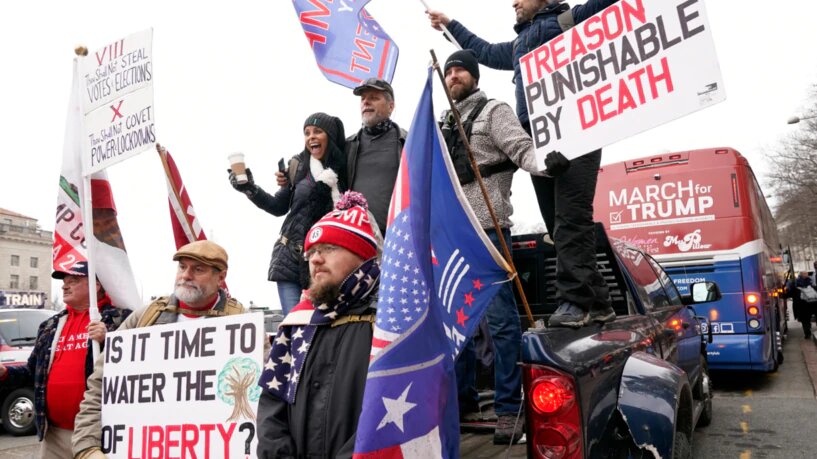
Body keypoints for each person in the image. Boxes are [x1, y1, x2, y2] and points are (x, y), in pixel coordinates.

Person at [427, 0, 619, 328]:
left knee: (571, 220)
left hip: (576, 131)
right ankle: (598, 303)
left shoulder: (570, 21)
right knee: (557, 224)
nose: (513, 3)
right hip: (539, 139)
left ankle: (577, 301)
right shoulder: (518, 46)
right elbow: (483, 51)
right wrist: (450, 24)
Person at [440, 49, 546, 444]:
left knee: (501, 323)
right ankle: (462, 402)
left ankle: (508, 408)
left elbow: (521, 148)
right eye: (449, 71)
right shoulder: (441, 121)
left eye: (460, 70)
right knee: (457, 325)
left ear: (474, 76)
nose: (453, 76)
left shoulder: (494, 111)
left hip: (489, 229)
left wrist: (547, 162)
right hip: (453, 234)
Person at [71, 240, 246, 458]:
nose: (186, 275)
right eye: (182, 267)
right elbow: (101, 384)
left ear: (221, 277)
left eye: (198, 269)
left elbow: (260, 399)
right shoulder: (145, 318)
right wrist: (87, 448)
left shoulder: (241, 325)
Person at [256, 192, 382, 459]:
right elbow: (271, 408)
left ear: (362, 254)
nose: (315, 259)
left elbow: (391, 415)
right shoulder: (297, 324)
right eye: (311, 252)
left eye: (329, 248)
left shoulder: (389, 324)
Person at [0, 263, 130, 458]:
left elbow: (136, 366)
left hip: (99, 434)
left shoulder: (120, 319)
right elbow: (32, 372)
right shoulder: (50, 325)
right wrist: (6, 373)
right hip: (54, 436)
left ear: (95, 286)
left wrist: (110, 339)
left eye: (73, 281)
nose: (64, 286)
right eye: (64, 281)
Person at [230, 113, 347, 314]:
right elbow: (277, 206)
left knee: (323, 325)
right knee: (295, 324)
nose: (311, 137)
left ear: (331, 136)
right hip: (290, 259)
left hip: (328, 261)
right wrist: (249, 188)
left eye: (318, 131)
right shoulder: (298, 166)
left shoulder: (345, 167)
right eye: (307, 133)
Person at [345, 78, 406, 235]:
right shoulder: (347, 145)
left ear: (391, 106)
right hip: (354, 234)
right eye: (363, 99)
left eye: (373, 98)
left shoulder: (408, 142)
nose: (366, 102)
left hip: (395, 237)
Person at [787, 271, 816, 339]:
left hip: (802, 306)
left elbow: (790, 293)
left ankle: (807, 333)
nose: (807, 275)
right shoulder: (811, 282)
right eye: (806, 274)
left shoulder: (795, 283)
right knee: (807, 319)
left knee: (805, 320)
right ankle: (808, 331)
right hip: (812, 304)